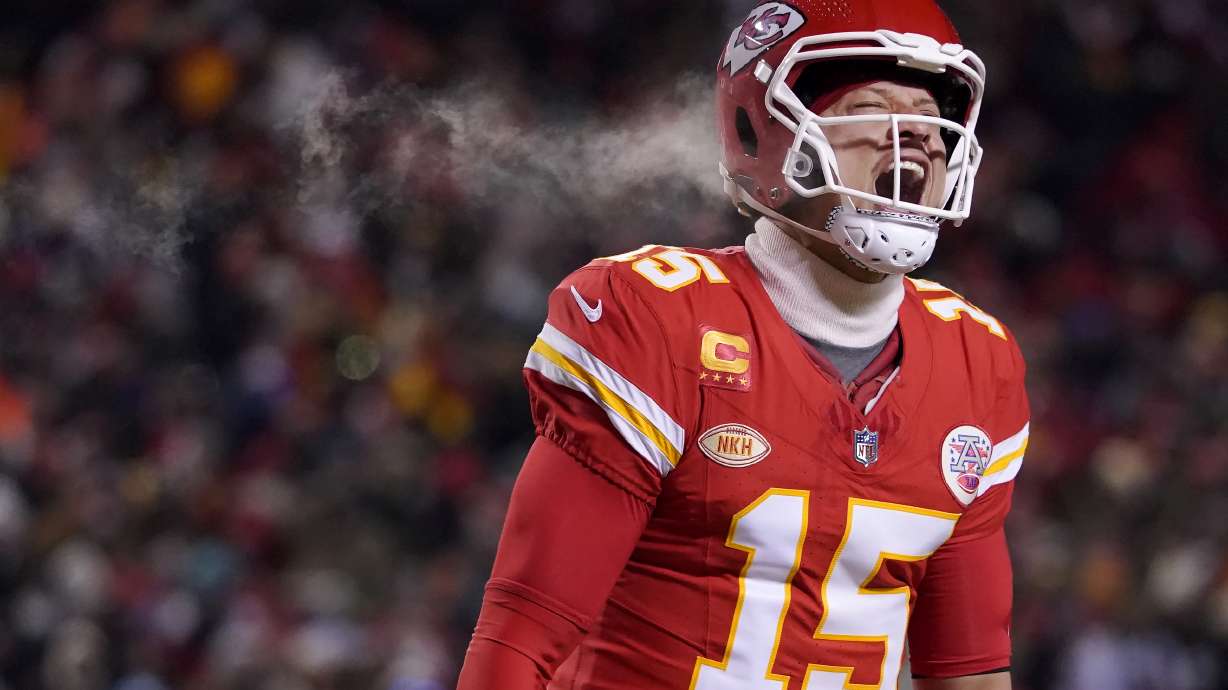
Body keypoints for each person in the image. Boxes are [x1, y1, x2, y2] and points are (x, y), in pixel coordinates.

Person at [457, 1, 1027, 688]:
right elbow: (522, 635)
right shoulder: (658, 319)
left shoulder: (977, 359)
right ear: (763, 132)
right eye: (874, 108)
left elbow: (970, 671)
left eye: (931, 116)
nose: (917, 140)